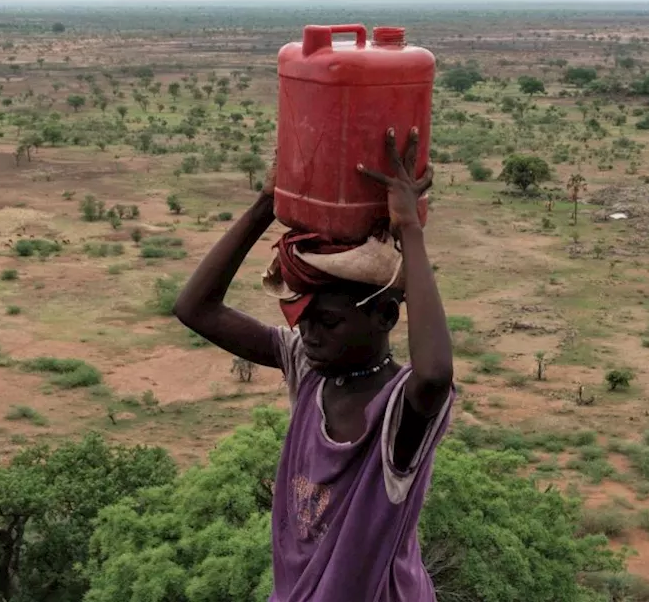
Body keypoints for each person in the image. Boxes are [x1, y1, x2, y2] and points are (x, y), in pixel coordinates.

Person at [174, 127, 454, 602]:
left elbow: (434, 375)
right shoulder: (308, 368)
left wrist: (409, 228)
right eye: (303, 317)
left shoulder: (396, 414)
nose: (309, 333)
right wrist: (269, 202)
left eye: (328, 321)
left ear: (386, 316)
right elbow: (195, 309)